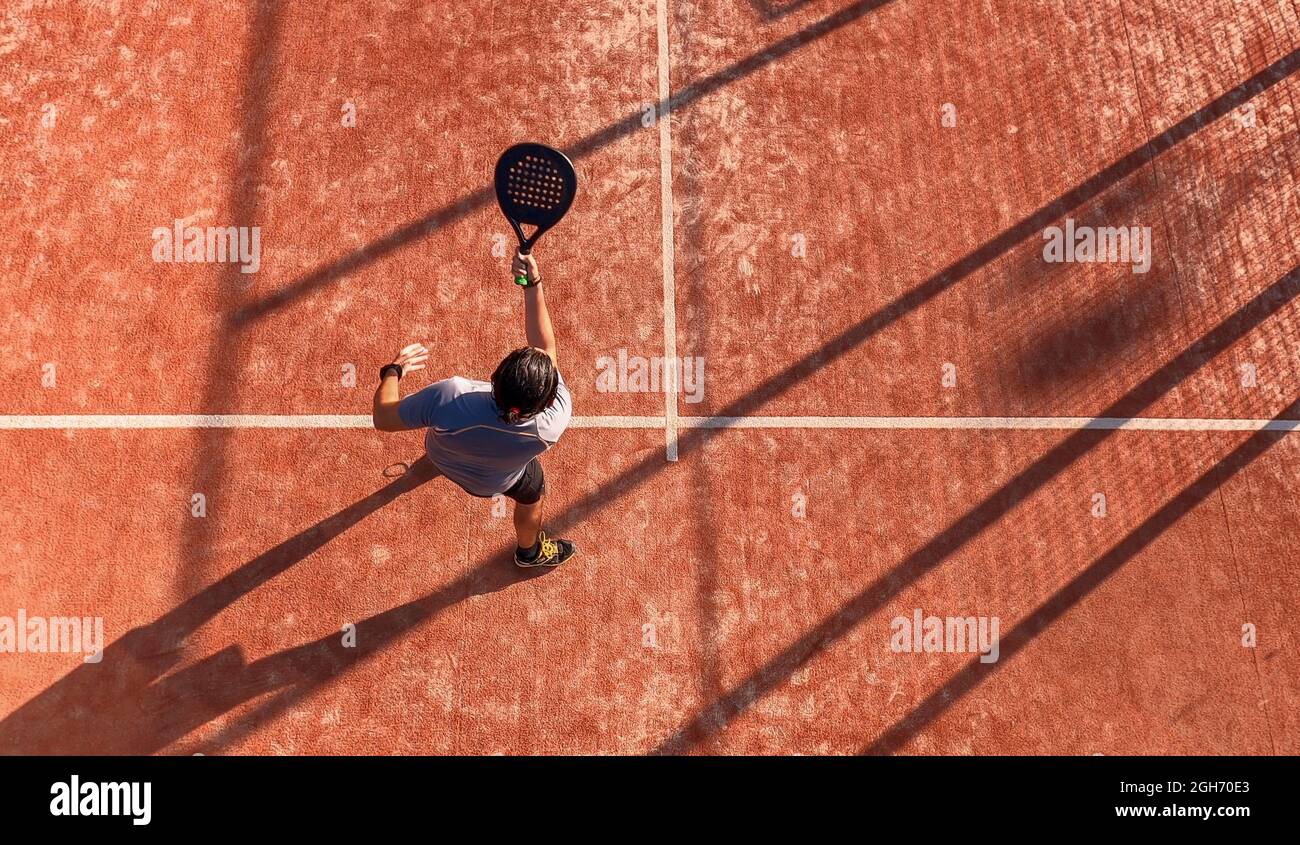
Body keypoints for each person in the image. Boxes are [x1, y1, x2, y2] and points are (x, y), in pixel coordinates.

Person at [371, 252, 577, 567]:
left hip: (443, 458)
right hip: (498, 483)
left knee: (444, 435)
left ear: (494, 376)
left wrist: (393, 370)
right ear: (547, 401)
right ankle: (530, 553)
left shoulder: (450, 398)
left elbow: (384, 418)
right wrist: (532, 284)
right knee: (532, 492)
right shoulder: (552, 422)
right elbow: (547, 351)